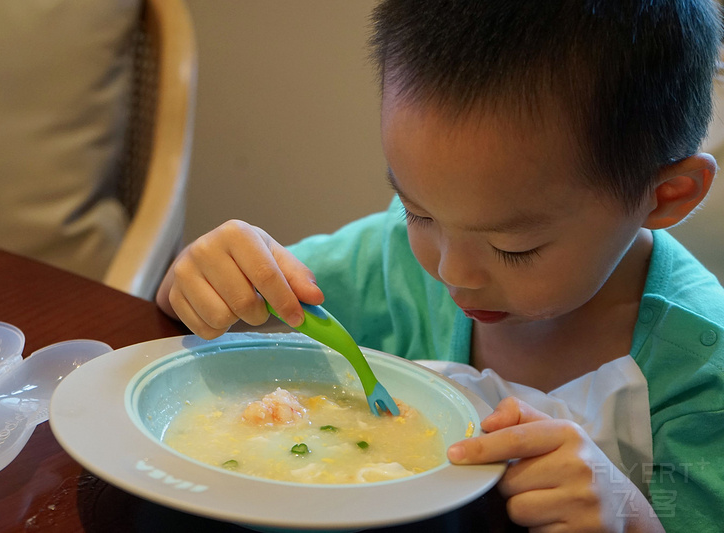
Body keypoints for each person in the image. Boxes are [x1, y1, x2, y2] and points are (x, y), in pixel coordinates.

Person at [157, 1, 724, 531]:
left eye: (514, 247)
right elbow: (232, 311)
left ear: (666, 194)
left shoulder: (704, 373)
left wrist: (628, 515)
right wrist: (203, 278)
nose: (452, 271)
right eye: (417, 211)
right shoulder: (388, 258)